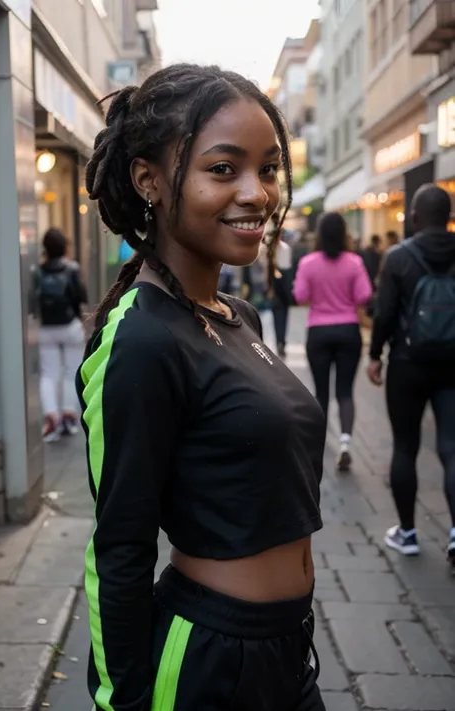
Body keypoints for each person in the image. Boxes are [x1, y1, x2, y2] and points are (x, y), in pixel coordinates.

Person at [77, 64, 327, 711]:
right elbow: (119, 546)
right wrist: (121, 700)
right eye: (224, 169)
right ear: (149, 180)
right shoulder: (141, 337)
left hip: (287, 649)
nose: (257, 192)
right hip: (209, 663)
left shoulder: (233, 314)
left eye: (268, 169)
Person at [367, 184, 455, 564]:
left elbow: (384, 313)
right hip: (453, 364)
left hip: (407, 363)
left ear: (415, 217)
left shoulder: (398, 257)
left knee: (405, 447)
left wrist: (375, 356)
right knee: (452, 448)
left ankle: (408, 533)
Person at [293, 212, 372, 471]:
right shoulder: (354, 262)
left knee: (321, 393)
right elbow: (364, 295)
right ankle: (347, 442)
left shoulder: (307, 263)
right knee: (345, 391)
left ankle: (319, 443)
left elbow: (300, 296)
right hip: (349, 330)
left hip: (318, 332)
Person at [32, 227, 87, 442]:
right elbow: (81, 296)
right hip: (69, 327)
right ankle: (68, 415)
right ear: (64, 247)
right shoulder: (71, 268)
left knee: (48, 374)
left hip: (47, 328)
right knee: (71, 371)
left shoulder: (37, 271)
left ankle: (51, 416)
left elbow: (32, 302)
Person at [269, 212, 293, 357]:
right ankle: (279, 340)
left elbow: (288, 268)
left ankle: (282, 341)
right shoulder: (269, 249)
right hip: (274, 282)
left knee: (284, 314)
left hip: (283, 281)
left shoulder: (285, 249)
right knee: (277, 314)